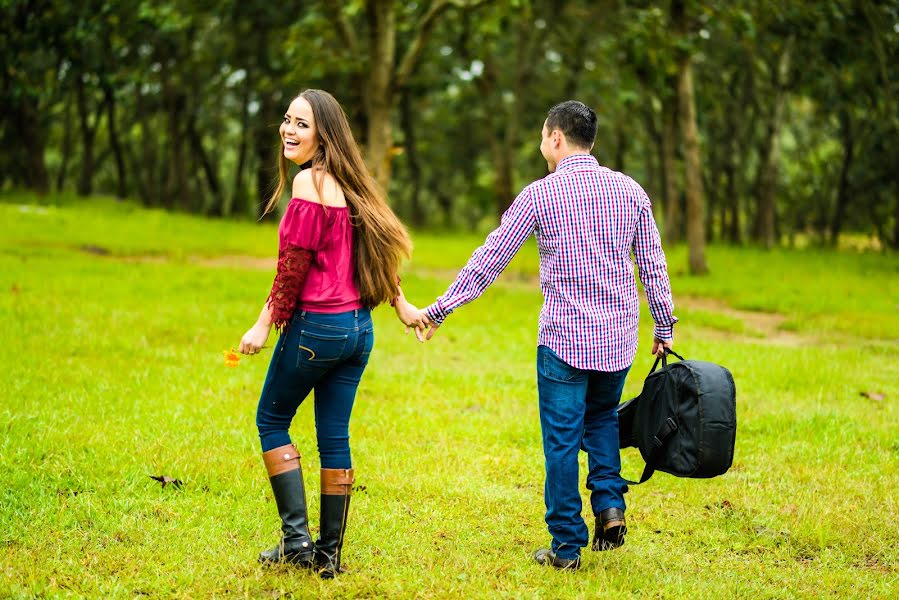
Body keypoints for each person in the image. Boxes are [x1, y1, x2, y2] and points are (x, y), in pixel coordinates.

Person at [415, 101, 677, 570]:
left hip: (563, 342)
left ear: (556, 138)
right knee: (600, 419)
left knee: (560, 441)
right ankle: (610, 507)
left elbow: (490, 259)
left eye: (542, 136)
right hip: (618, 342)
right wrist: (663, 325)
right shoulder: (631, 191)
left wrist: (440, 309)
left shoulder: (541, 195)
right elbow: (653, 267)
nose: (541, 144)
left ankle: (566, 546)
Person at [238, 89, 425, 578]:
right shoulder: (355, 185)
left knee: (271, 421)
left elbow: (291, 269)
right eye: (287, 120)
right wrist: (401, 305)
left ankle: (297, 542)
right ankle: (329, 555)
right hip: (359, 331)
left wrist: (262, 325)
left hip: (315, 328)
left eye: (302, 124)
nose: (289, 130)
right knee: (334, 436)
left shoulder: (308, 185)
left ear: (324, 134)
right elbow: (378, 254)